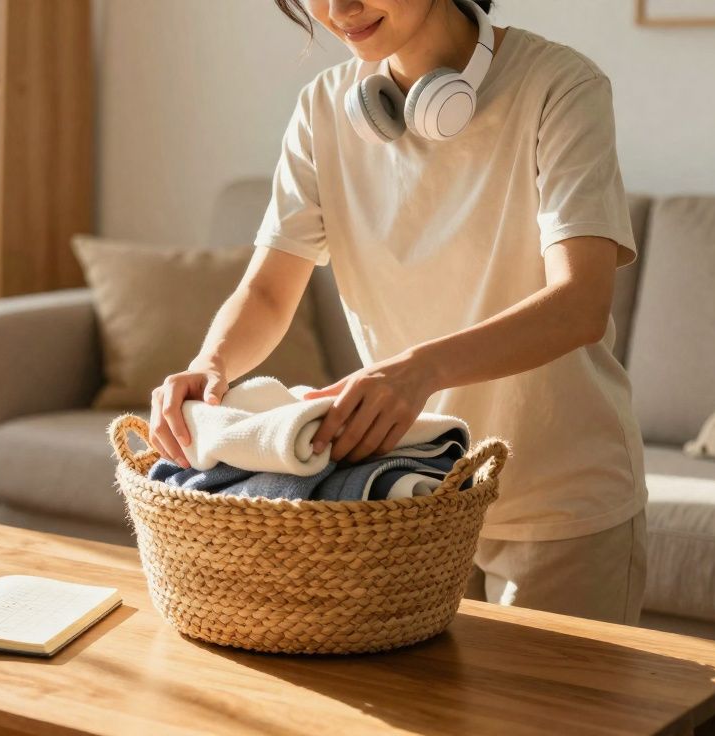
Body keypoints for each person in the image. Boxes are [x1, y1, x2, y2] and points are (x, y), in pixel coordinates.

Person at [147, 0, 646, 625]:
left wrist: (417, 372)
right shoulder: (322, 109)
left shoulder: (560, 85)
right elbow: (271, 291)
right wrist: (210, 363)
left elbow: (579, 304)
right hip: (412, 496)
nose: (337, 10)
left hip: (564, 502)